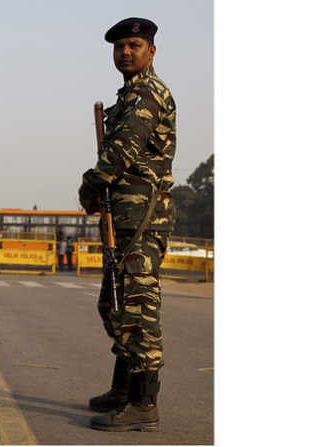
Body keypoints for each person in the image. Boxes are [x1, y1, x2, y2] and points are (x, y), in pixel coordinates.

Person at [77, 17, 176, 432]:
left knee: (137, 309)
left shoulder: (149, 94)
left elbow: (121, 150)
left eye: (134, 45)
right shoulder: (128, 96)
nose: (125, 52)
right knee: (115, 305)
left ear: (151, 51)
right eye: (119, 47)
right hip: (125, 220)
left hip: (144, 220)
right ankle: (122, 388)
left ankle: (143, 404)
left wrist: (90, 184)